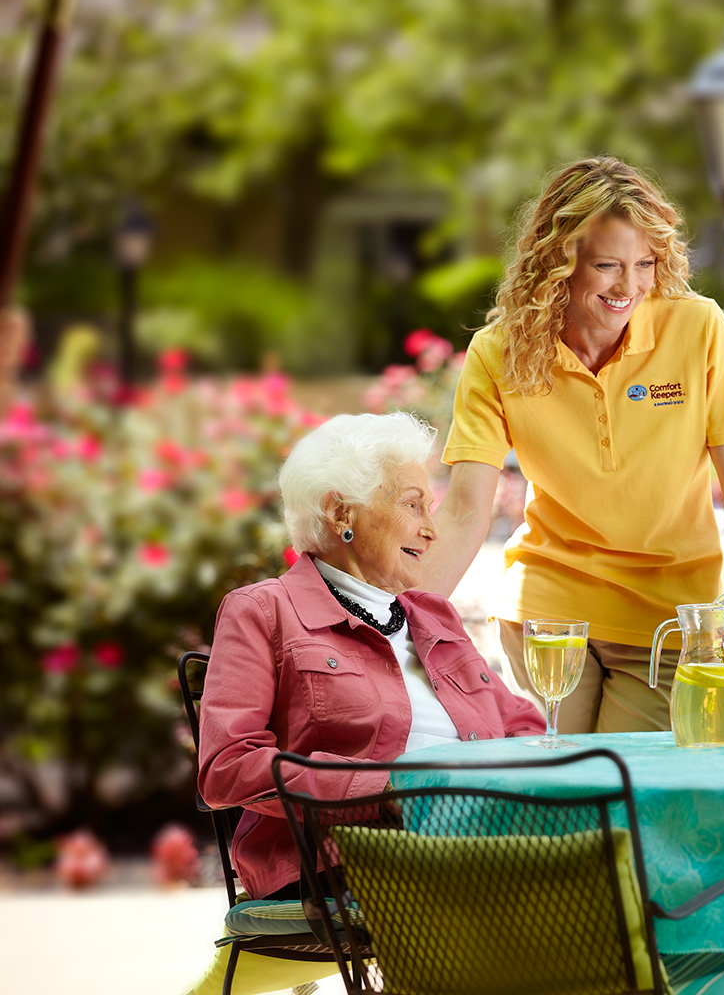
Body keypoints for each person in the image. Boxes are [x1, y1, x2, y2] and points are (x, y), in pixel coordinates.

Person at [421, 156, 724, 734]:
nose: (629, 286)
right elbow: (464, 510)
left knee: (627, 797)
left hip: (669, 618)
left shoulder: (698, 328)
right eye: (607, 265)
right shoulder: (499, 351)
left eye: (644, 264)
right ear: (558, 264)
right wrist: (392, 620)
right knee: (559, 795)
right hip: (548, 608)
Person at [188, 411, 543, 995]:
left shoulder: (432, 613)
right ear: (340, 511)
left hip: (481, 835)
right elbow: (227, 768)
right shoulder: (264, 611)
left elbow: (519, 724)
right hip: (345, 858)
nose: (431, 528)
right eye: (413, 504)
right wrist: (392, 785)